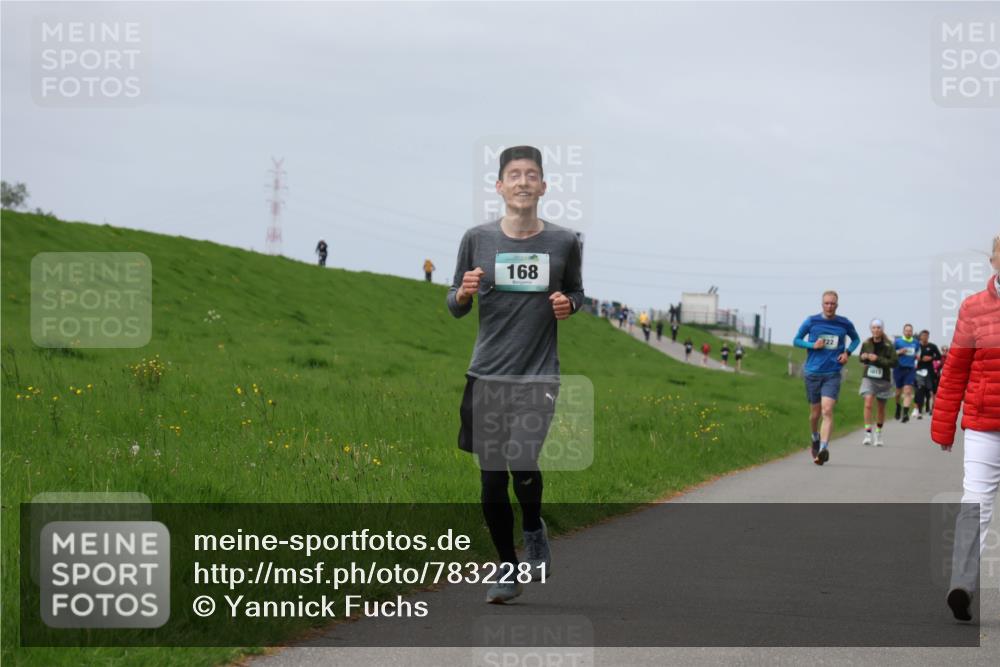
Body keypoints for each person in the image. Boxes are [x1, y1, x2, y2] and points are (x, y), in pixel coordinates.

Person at [448, 145, 584, 605]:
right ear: (500, 187)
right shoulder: (477, 238)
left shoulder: (565, 242)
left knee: (523, 461)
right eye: (514, 174)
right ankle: (507, 565)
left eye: (532, 175)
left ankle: (533, 529)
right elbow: (454, 303)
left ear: (544, 187)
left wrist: (570, 305)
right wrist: (464, 294)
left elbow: (577, 292)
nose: (523, 181)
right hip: (486, 374)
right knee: (490, 478)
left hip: (538, 376)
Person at [932, 234, 1000, 622]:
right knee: (975, 506)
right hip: (984, 424)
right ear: (994, 261)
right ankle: (961, 584)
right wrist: (944, 426)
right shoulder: (974, 308)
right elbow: (956, 367)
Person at [793, 290, 861, 465]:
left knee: (827, 410)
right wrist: (812, 345)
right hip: (813, 373)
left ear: (837, 305)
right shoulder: (812, 321)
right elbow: (797, 340)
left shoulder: (844, 323)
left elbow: (855, 339)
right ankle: (815, 436)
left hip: (833, 373)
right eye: (826, 303)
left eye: (832, 303)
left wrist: (847, 352)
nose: (829, 306)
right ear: (822, 304)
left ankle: (823, 448)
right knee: (815, 414)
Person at [857, 319, 898, 446]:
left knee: (881, 408)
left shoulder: (889, 345)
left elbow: (894, 362)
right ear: (871, 329)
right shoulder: (866, 343)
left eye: (878, 328)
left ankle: (878, 433)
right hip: (869, 377)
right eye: (874, 327)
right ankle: (868, 433)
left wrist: (878, 359)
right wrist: (863, 357)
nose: (876, 330)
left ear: (882, 329)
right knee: (868, 403)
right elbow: (860, 358)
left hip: (883, 379)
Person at [893, 323, 920, 422]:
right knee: (898, 392)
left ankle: (905, 414)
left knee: (908, 391)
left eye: (910, 331)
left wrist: (917, 357)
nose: (908, 332)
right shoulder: (898, 342)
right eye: (907, 330)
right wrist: (899, 352)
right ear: (903, 331)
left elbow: (917, 352)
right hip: (898, 369)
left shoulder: (916, 342)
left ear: (912, 332)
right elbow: (891, 353)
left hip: (910, 369)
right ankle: (898, 406)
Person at [915, 329, 942, 418]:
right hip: (919, 370)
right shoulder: (917, 346)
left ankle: (932, 408)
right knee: (920, 389)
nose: (924, 337)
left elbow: (939, 356)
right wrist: (917, 358)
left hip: (930, 371)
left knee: (932, 390)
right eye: (923, 336)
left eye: (926, 336)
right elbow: (912, 355)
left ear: (928, 337)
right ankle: (919, 409)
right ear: (920, 337)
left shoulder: (932, 346)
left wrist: (931, 358)